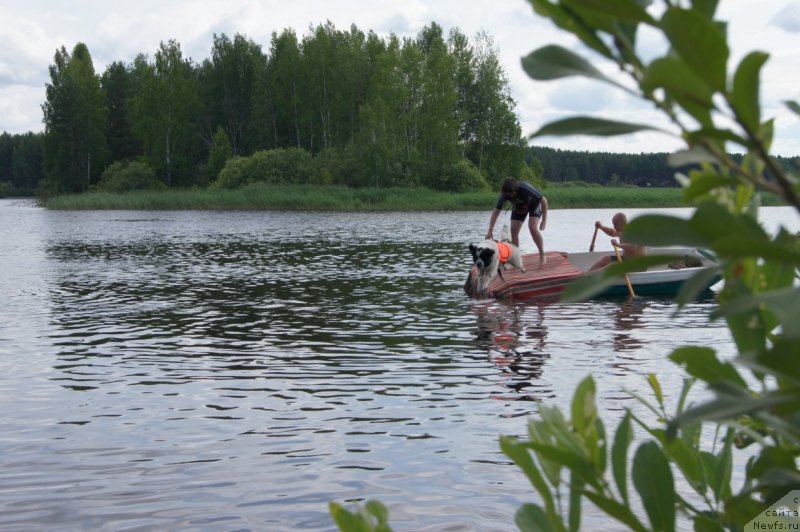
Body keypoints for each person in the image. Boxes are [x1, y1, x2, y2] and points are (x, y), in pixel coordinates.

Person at [485, 177, 548, 266]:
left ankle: (542, 254)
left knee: (532, 227)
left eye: (511, 194)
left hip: (534, 205)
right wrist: (490, 231)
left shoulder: (525, 188)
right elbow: (495, 213)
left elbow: (544, 201)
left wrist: (544, 220)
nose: (509, 196)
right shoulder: (504, 195)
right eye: (507, 194)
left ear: (516, 190)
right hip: (520, 207)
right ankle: (516, 257)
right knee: (513, 231)